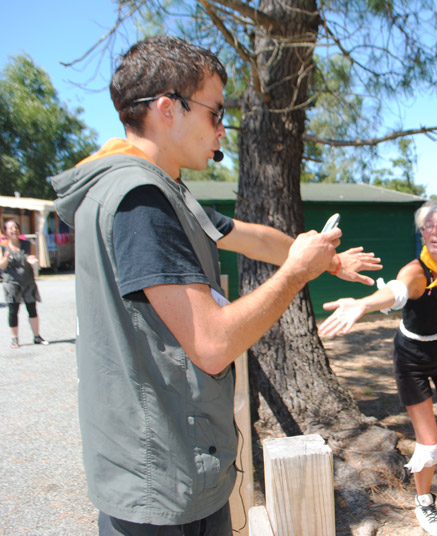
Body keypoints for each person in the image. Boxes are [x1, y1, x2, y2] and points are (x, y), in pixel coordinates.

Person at [51, 35, 381, 536]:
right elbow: (212, 344)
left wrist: (321, 259)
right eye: (214, 112)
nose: (222, 130)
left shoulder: (155, 190)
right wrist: (295, 275)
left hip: (161, 467)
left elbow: (250, 238)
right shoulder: (143, 202)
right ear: (167, 108)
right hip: (163, 482)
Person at [319, 201, 437, 535]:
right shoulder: (416, 272)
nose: (434, 232)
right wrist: (363, 305)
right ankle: (424, 502)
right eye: (427, 226)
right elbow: (395, 292)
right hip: (412, 359)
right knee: (429, 445)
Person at [1, 219, 48, 349]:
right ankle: (14, 339)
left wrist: (31, 260)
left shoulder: (27, 244)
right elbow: (2, 266)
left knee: (32, 308)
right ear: (5, 231)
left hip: (28, 281)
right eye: (10, 228)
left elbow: (31, 257)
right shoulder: (2, 247)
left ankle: (37, 336)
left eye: (16, 227)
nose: (14, 230)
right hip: (12, 283)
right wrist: (5, 257)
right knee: (13, 311)